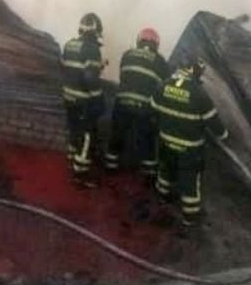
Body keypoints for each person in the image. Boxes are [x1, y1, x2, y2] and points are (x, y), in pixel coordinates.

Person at [151, 58, 229, 226]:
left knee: (165, 170)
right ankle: (190, 216)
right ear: (195, 71)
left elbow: (153, 110)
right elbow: (214, 122)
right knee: (190, 180)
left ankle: (163, 197)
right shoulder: (199, 94)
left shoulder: (164, 85)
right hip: (190, 148)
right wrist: (224, 135)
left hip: (166, 141)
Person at [106, 27, 171, 178]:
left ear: (139, 41)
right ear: (156, 44)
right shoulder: (160, 61)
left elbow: (123, 76)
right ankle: (149, 175)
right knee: (147, 139)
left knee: (117, 135)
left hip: (122, 102)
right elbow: (164, 87)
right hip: (145, 107)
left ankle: (110, 166)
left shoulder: (127, 54)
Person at [61, 12, 107, 187]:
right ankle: (80, 175)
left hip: (68, 97)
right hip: (83, 100)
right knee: (88, 135)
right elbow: (90, 78)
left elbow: (69, 69)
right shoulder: (92, 49)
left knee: (74, 130)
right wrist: (98, 97)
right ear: (95, 30)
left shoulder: (69, 44)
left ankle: (72, 159)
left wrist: (97, 67)